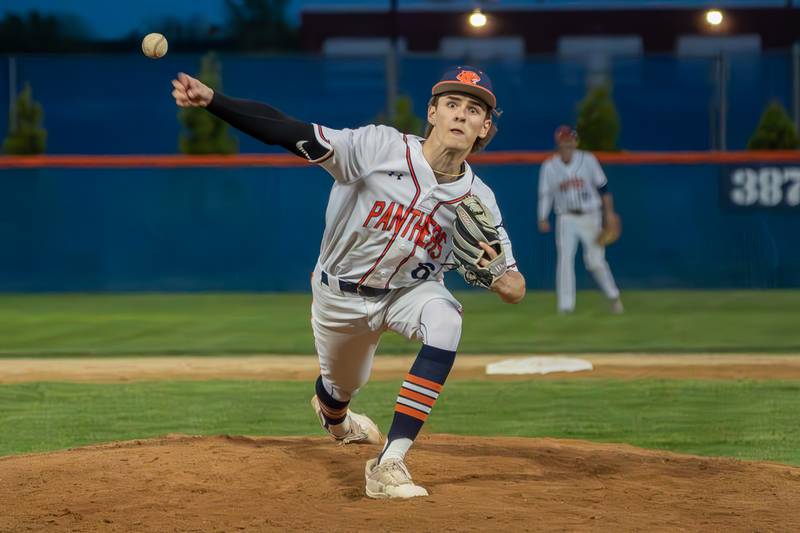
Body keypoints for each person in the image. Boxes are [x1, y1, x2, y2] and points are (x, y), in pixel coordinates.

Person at [170, 65, 525, 499]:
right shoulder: (378, 148)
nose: (460, 115)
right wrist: (214, 101)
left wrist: (497, 277)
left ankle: (391, 461)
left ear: (484, 126)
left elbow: (513, 286)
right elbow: (288, 131)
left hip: (409, 294)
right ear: (432, 113)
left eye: (473, 110)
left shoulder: (478, 200)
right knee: (339, 390)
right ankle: (336, 417)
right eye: (451, 104)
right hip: (339, 296)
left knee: (447, 319)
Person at [538, 126, 623, 314]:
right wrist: (542, 216)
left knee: (595, 261)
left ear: (575, 142)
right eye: (564, 141)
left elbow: (603, 188)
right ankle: (566, 307)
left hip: (590, 215)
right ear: (559, 143)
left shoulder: (588, 160)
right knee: (565, 260)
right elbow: (546, 194)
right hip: (565, 217)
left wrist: (608, 215)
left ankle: (613, 296)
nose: (568, 144)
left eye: (570, 140)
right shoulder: (550, 166)